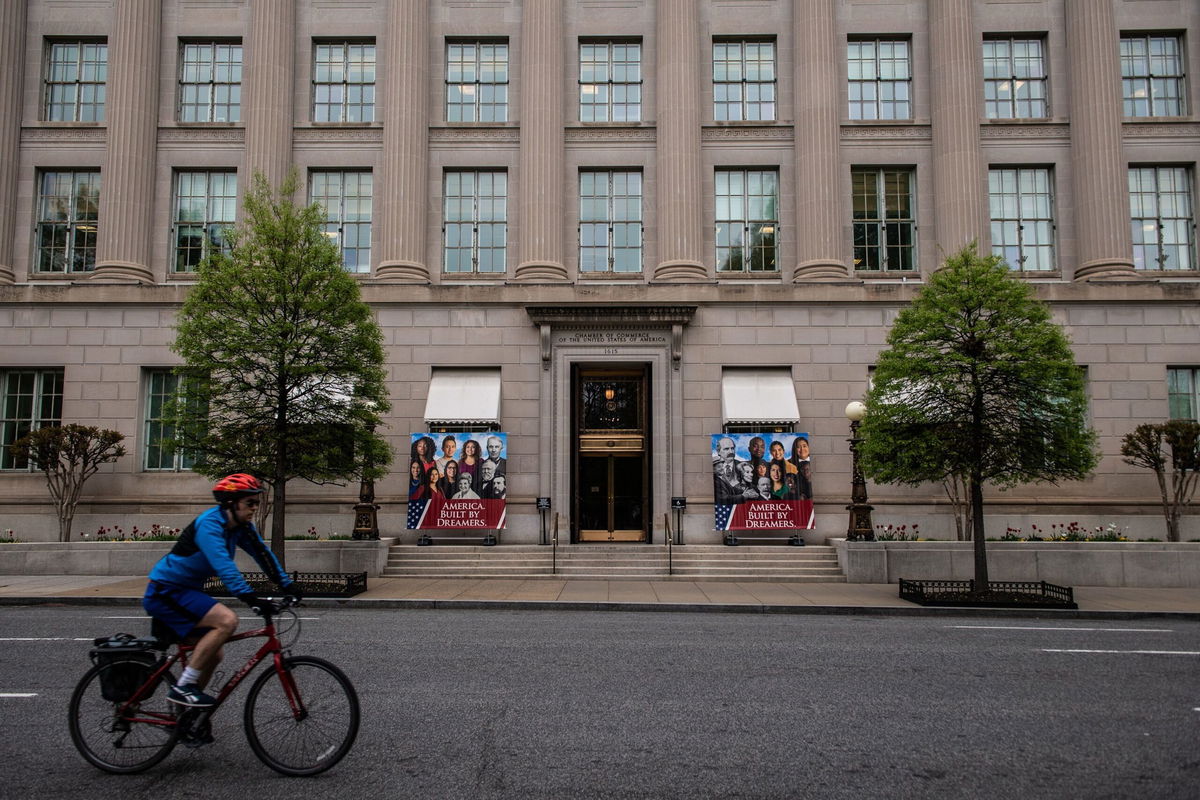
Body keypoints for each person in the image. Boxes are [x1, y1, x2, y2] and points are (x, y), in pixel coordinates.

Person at [142, 474, 300, 710]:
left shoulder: (240, 528)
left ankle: (189, 715)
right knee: (227, 621)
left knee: (213, 655)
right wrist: (250, 599)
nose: (254, 509)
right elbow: (223, 564)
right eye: (250, 503)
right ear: (231, 503)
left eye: (256, 503)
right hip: (166, 591)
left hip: (187, 591)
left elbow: (262, 555)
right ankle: (183, 688)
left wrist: (288, 586)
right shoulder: (210, 524)